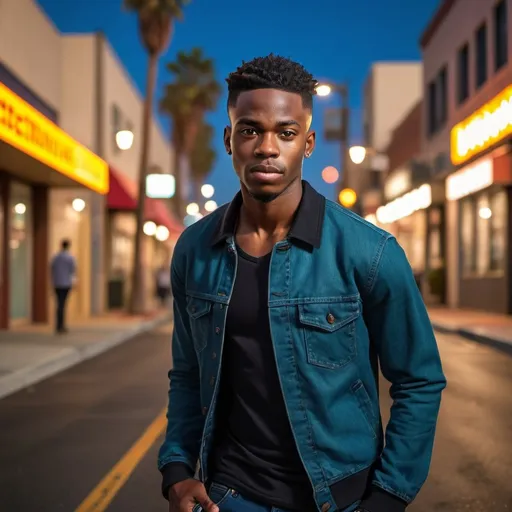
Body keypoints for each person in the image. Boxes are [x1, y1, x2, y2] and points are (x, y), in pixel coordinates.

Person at [158, 54, 446, 512]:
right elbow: (188, 373)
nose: (266, 147)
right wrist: (176, 470)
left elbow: (419, 379)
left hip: (339, 498)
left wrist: (388, 497)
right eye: (250, 130)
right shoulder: (195, 249)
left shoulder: (368, 251)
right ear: (229, 139)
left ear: (307, 143)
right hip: (230, 496)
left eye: (286, 133)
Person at [50, 238, 76, 334]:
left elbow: (52, 269)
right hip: (66, 284)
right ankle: (61, 326)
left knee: (59, 304)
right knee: (63, 304)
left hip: (57, 283)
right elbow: (72, 271)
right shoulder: (70, 258)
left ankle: (58, 325)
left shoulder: (56, 257)